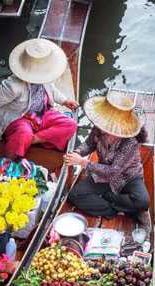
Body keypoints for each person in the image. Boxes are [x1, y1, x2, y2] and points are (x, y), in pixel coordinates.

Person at [0, 38, 78, 160]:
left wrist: (65, 101)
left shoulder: (44, 76)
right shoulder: (13, 87)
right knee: (23, 133)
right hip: (19, 117)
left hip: (41, 113)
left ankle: (32, 140)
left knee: (70, 124)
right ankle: (11, 157)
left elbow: (51, 89)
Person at [64, 92, 150, 227]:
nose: (104, 129)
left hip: (128, 177)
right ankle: (113, 209)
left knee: (142, 202)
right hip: (102, 175)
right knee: (74, 196)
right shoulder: (99, 128)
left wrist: (82, 162)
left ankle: (110, 197)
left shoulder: (131, 142)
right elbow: (89, 144)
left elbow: (114, 171)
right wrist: (77, 153)